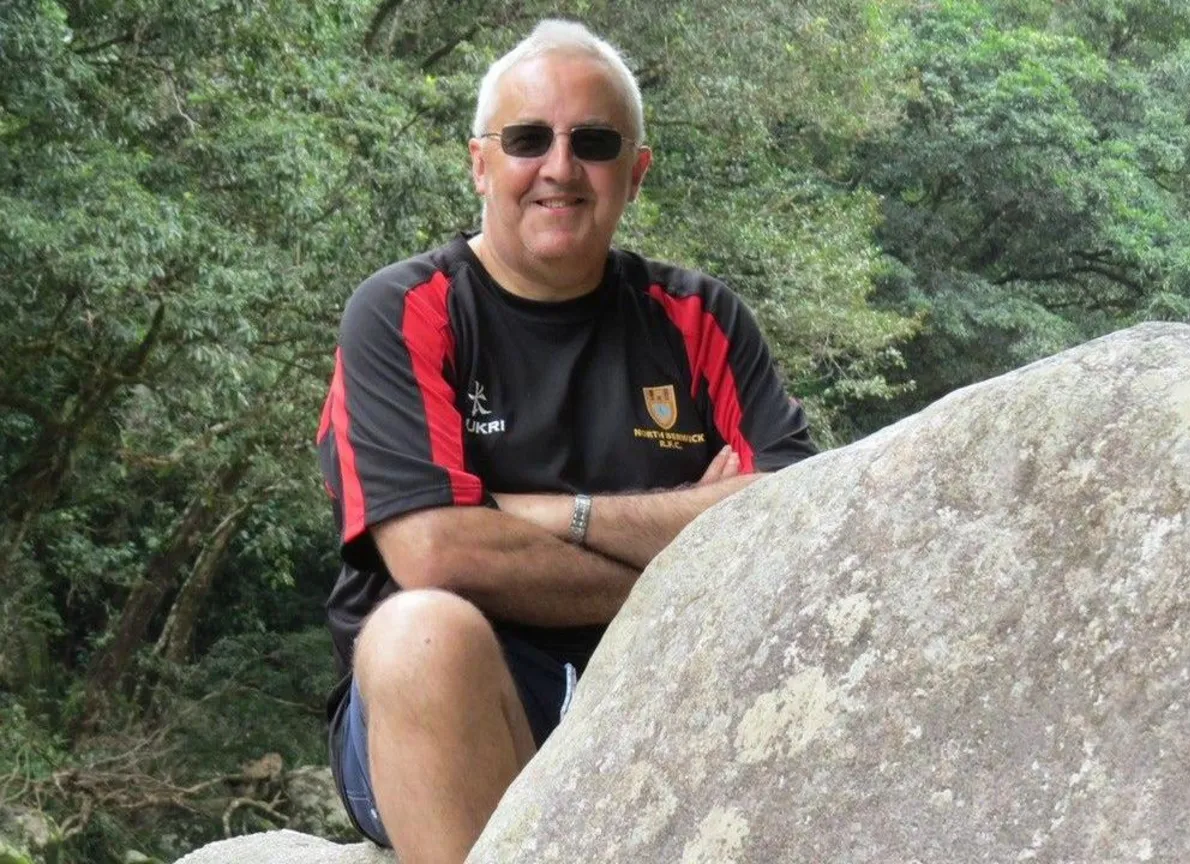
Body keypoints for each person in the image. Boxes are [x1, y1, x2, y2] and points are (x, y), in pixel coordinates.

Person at [312, 19, 816, 864]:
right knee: (420, 630)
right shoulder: (405, 311)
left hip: (659, 699)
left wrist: (540, 514)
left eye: (593, 141)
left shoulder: (702, 319)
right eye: (526, 139)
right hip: (451, 710)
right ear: (480, 163)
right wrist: (690, 542)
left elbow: (794, 521)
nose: (559, 167)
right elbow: (434, 552)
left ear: (636, 172)